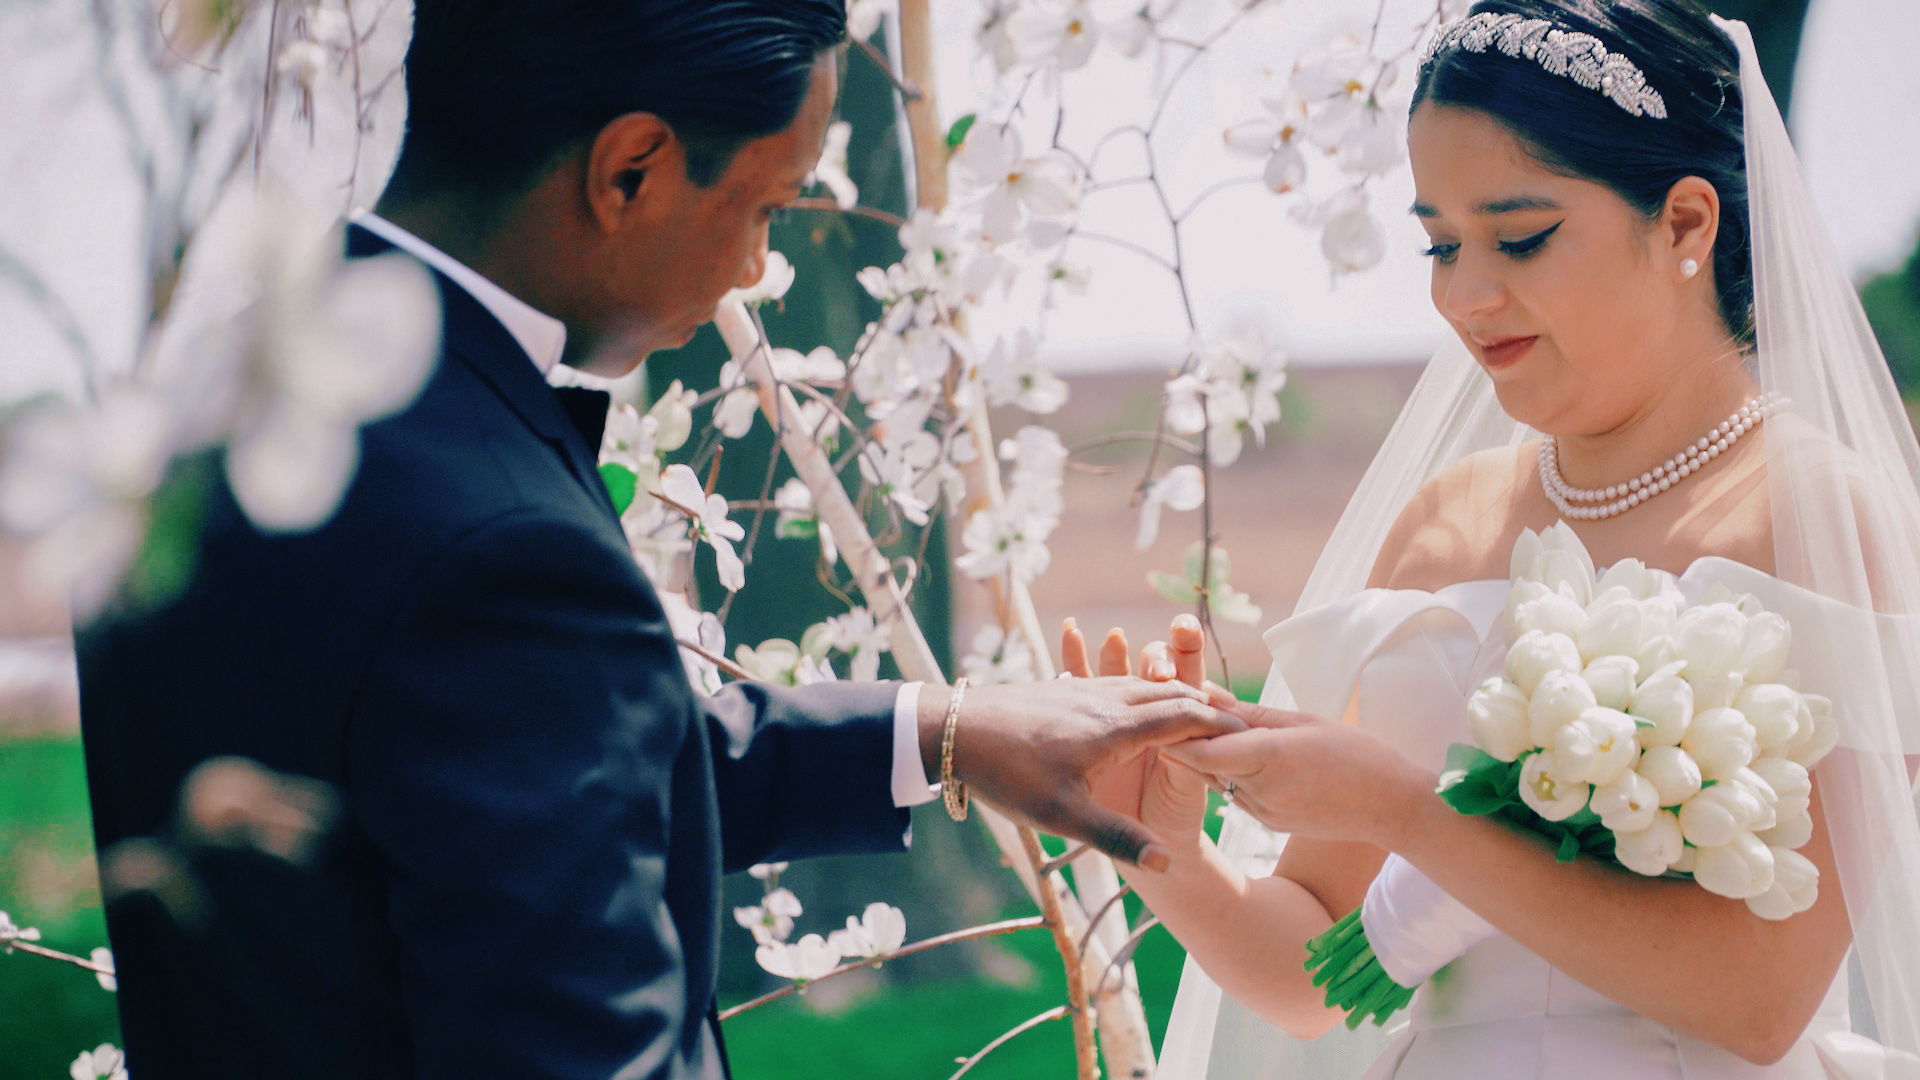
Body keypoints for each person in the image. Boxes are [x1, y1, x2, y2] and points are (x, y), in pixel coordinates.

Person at [73, 3, 1244, 1078]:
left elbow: (500, 759)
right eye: (769, 207)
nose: (758, 265)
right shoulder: (500, 543)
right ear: (630, 169)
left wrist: (946, 733)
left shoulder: (212, 405)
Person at [1068, 2, 1920, 1077]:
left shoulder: (1819, 516)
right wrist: (1159, 848)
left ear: (1687, 227)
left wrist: (1402, 810)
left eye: (1519, 238)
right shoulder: (1444, 524)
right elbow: (1316, 975)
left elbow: (1759, 1000)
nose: (1465, 297)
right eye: (1440, 245)